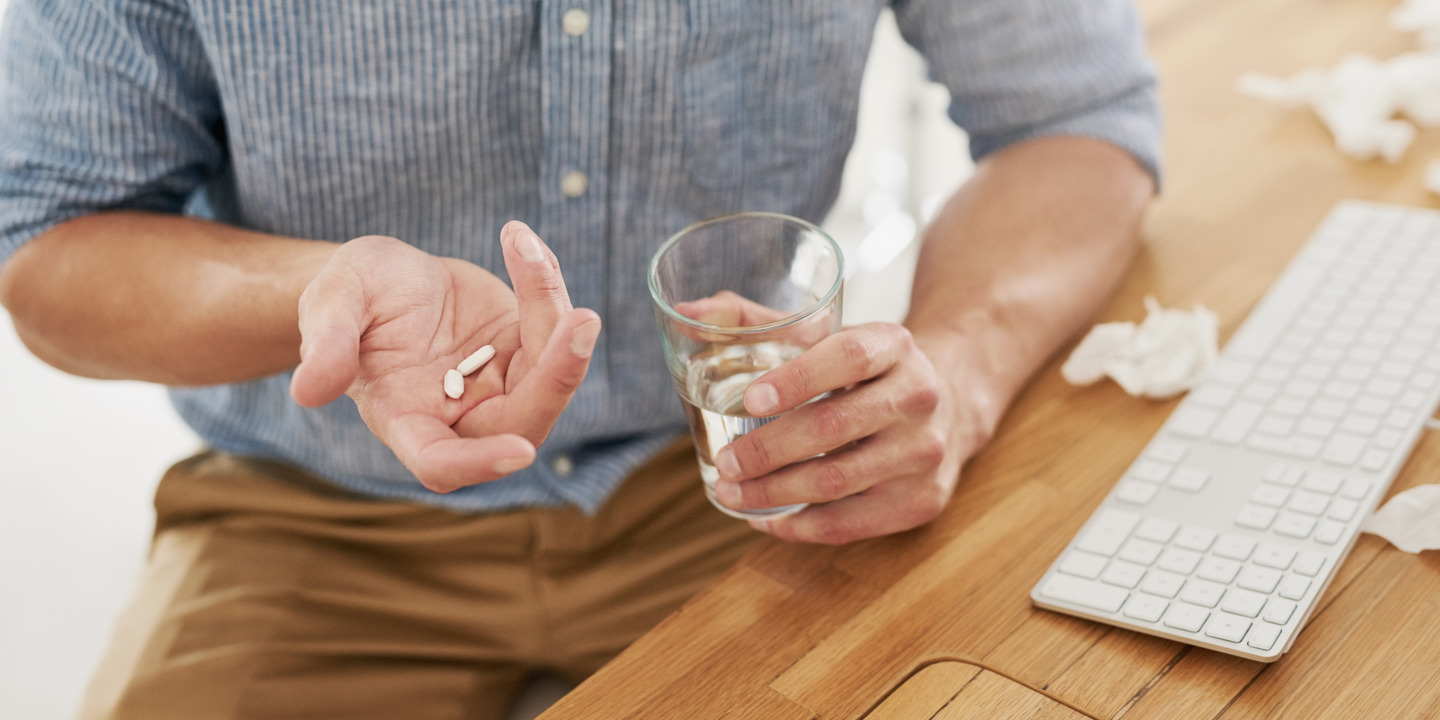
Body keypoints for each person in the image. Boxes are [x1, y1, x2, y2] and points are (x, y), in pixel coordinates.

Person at [0, 1, 1161, 718]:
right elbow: (51, 250)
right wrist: (318, 292)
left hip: (747, 479)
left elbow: (1081, 119)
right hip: (310, 513)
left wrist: (955, 374)